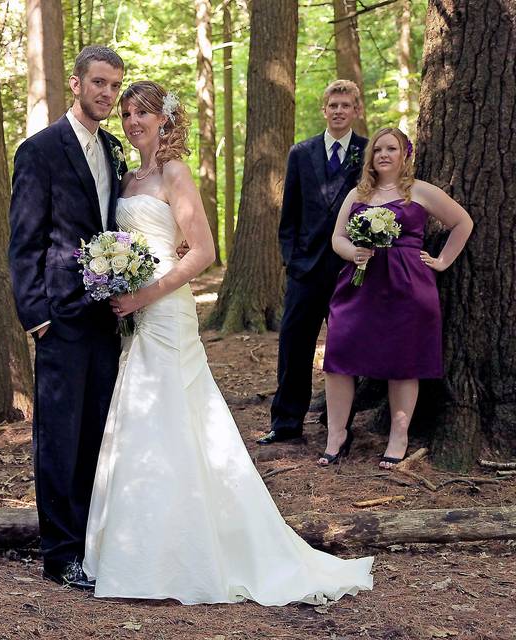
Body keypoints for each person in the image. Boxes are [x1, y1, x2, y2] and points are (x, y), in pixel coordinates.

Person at [82, 80, 374, 605]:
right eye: (127, 114)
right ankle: (137, 544)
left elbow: (203, 253)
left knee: (177, 412)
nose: (132, 122)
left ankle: (189, 550)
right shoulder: (127, 178)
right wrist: (115, 280)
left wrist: (145, 293)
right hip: (134, 314)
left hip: (165, 311)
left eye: (143, 113)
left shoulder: (175, 174)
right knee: (140, 415)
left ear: (164, 120)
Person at [8, 45, 127, 589]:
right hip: (59, 316)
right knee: (58, 436)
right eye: (98, 83)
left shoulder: (115, 151)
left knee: (94, 434)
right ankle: (59, 554)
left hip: (107, 317)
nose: (106, 94)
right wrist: (36, 316)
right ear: (76, 85)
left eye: (113, 86)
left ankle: (88, 541)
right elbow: (24, 240)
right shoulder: (40, 151)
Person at [320, 128, 472, 468]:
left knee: (403, 361)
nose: (384, 155)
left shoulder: (419, 191)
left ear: (406, 154)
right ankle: (337, 434)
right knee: (339, 355)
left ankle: (398, 437)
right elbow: (337, 238)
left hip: (408, 285)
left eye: (392, 148)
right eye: (378, 150)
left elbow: (462, 222)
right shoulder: (359, 193)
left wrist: (443, 260)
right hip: (360, 286)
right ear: (371, 157)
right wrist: (354, 253)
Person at [260, 80, 369, 446]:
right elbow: (289, 215)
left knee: (346, 347)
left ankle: (337, 425)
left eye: (346, 105)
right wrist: (291, 260)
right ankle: (287, 422)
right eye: (333, 105)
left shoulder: (367, 152)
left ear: (356, 110)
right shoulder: (301, 153)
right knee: (294, 345)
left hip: (349, 269)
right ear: (325, 110)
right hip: (305, 270)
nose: (339, 111)